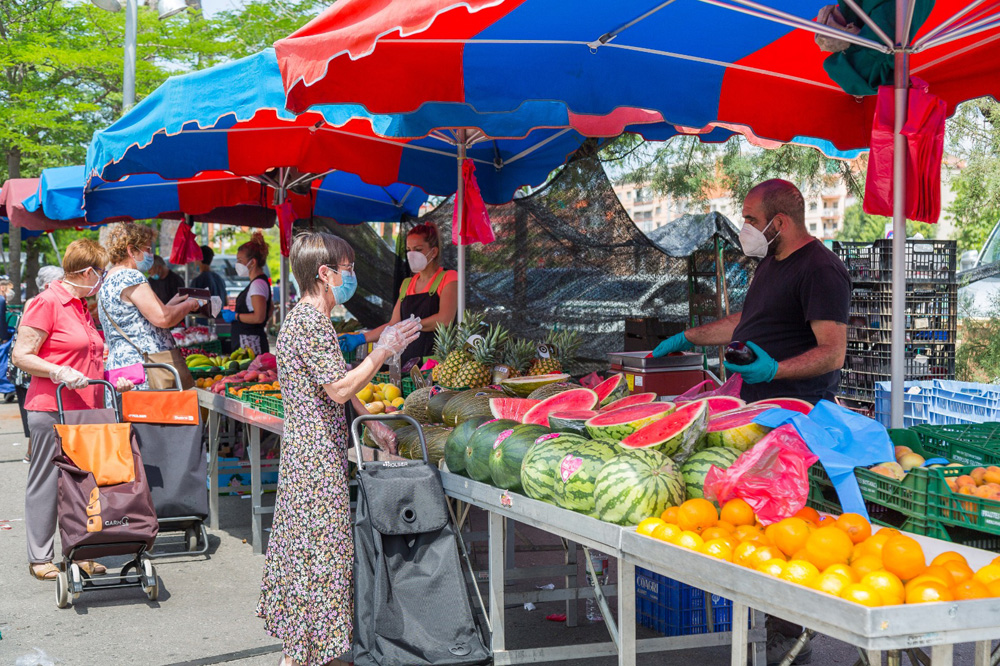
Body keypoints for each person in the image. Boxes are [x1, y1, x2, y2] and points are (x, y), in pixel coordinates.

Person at [653, 179, 850, 665]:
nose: (745, 228)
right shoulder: (770, 264)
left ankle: (789, 643)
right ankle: (765, 631)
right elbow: (746, 322)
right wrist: (688, 336)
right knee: (752, 524)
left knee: (780, 527)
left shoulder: (822, 270)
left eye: (750, 219)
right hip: (752, 413)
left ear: (779, 223)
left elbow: (832, 352)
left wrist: (774, 370)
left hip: (795, 419)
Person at [256, 231, 420, 666]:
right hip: (314, 461)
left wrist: (370, 426)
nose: (352, 276)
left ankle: (308, 650)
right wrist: (383, 350)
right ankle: (313, 654)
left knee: (311, 554)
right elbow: (340, 386)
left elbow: (339, 384)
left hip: (311, 454)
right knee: (323, 556)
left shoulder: (310, 319)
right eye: (347, 269)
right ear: (325, 274)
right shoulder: (310, 321)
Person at [12, 240, 134, 582]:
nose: (102, 280)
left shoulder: (80, 305)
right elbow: (22, 354)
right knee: (47, 482)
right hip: (52, 407)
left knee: (83, 485)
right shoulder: (46, 302)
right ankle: (39, 556)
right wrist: (58, 371)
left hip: (86, 409)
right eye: (101, 272)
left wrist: (109, 378)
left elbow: (86, 355)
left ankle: (80, 551)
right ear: (88, 272)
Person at [98, 222, 201, 390]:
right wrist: (190, 305)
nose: (151, 255)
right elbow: (163, 318)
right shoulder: (131, 277)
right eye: (148, 249)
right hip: (146, 369)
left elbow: (138, 320)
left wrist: (171, 305)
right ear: (132, 250)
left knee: (129, 415)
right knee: (152, 415)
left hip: (121, 366)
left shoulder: (108, 279)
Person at [343, 222, 457, 366]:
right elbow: (393, 324)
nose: (412, 254)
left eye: (418, 249)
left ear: (433, 252)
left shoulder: (449, 277)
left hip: (434, 365)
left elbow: (445, 320)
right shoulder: (407, 284)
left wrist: (405, 327)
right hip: (406, 364)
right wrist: (361, 338)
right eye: (409, 250)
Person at [13, 266, 64, 464]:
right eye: (61, 280)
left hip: (34, 364)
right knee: (35, 411)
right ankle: (33, 451)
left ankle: (33, 451)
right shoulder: (37, 303)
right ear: (48, 285)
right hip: (29, 365)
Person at [220, 232, 272, 354]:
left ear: (252, 262)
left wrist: (236, 316)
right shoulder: (259, 283)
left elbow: (259, 317)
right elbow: (269, 310)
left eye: (240, 260)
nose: (237, 264)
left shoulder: (257, 285)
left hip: (251, 344)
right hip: (249, 341)